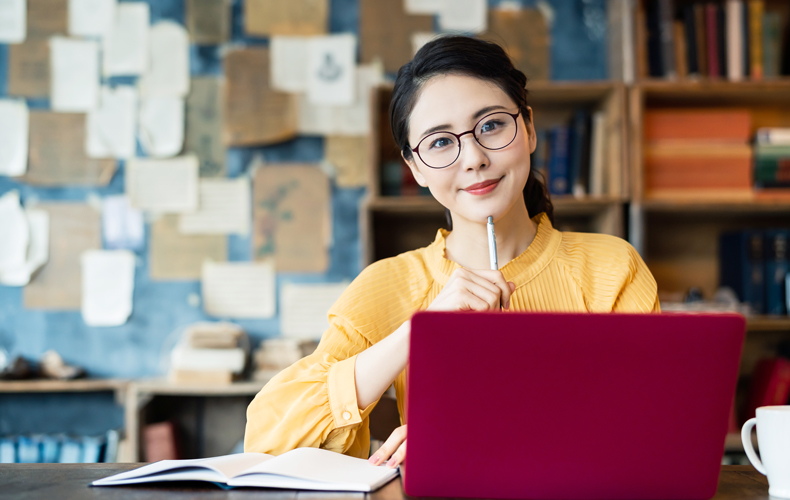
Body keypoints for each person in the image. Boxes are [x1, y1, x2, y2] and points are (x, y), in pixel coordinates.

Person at [244, 35, 659, 469]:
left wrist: (470, 435)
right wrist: (419, 330)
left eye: (491, 125)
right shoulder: (387, 286)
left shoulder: (612, 268)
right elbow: (267, 442)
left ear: (529, 128)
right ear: (415, 167)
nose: (474, 158)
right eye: (440, 142)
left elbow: (651, 427)